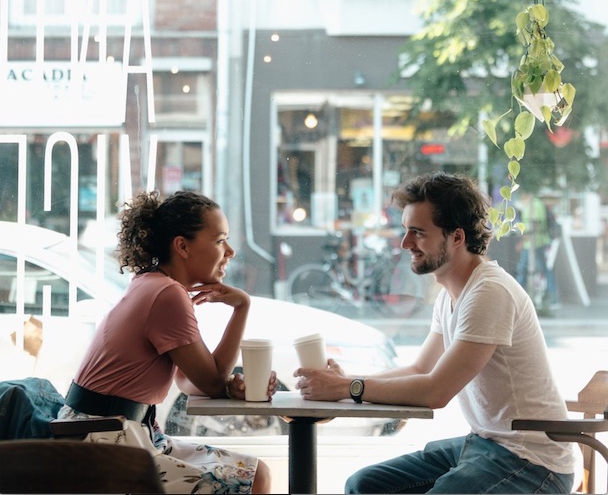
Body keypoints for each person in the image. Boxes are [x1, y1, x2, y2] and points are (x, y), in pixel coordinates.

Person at [294, 172, 576, 494]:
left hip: (532, 462)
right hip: (485, 445)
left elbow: (435, 391)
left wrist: (347, 386)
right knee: (363, 485)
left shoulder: (489, 292)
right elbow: (419, 369)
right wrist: (343, 384)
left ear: (456, 237)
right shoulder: (451, 294)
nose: (405, 244)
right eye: (405, 231)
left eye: (417, 233)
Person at [57, 190, 277, 494]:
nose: (230, 251)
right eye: (219, 240)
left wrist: (226, 385)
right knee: (254, 479)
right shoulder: (167, 295)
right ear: (182, 246)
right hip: (102, 440)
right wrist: (241, 308)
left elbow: (190, 380)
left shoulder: (153, 285)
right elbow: (211, 383)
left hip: (111, 432)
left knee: (255, 473)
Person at [515, 192, 559, 309]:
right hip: (529, 244)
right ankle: (517, 296)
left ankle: (552, 298)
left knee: (536, 269)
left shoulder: (535, 205)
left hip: (537, 243)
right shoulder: (529, 205)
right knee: (524, 269)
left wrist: (522, 241)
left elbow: (535, 225)